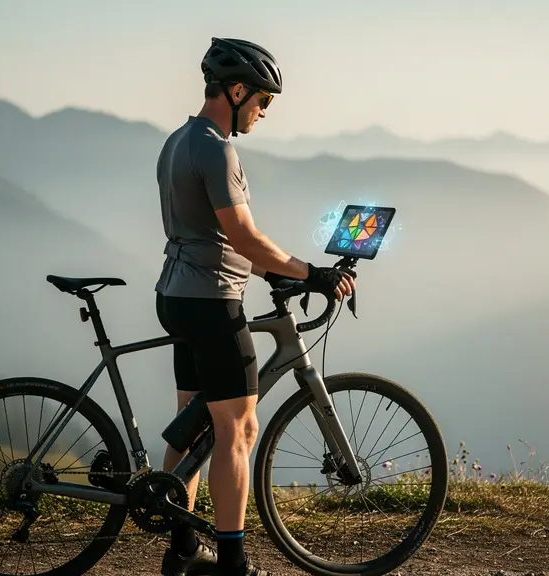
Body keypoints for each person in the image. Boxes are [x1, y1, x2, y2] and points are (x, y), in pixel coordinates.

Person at [154, 37, 357, 576]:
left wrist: (273, 271)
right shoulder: (216, 149)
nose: (264, 112)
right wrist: (311, 272)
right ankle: (233, 565)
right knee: (239, 430)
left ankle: (182, 550)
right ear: (237, 91)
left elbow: (210, 236)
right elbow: (242, 235)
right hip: (212, 303)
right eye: (263, 100)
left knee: (192, 427)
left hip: (176, 295)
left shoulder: (178, 141)